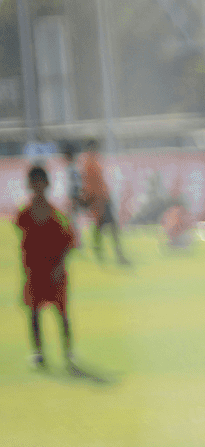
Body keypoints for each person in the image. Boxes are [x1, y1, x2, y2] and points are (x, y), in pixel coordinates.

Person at [15, 165, 80, 372]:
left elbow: (70, 242)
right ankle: (38, 352)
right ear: (30, 185)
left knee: (62, 314)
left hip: (55, 274)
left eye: (41, 182)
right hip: (34, 274)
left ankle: (68, 352)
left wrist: (60, 266)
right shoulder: (23, 214)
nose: (37, 186)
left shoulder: (57, 215)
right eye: (34, 182)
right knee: (34, 313)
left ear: (47, 184)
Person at [77, 139, 130, 267]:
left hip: (100, 198)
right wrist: (94, 198)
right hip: (98, 199)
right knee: (111, 226)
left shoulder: (90, 161)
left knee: (101, 226)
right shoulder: (89, 162)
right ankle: (117, 255)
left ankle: (99, 251)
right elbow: (90, 183)